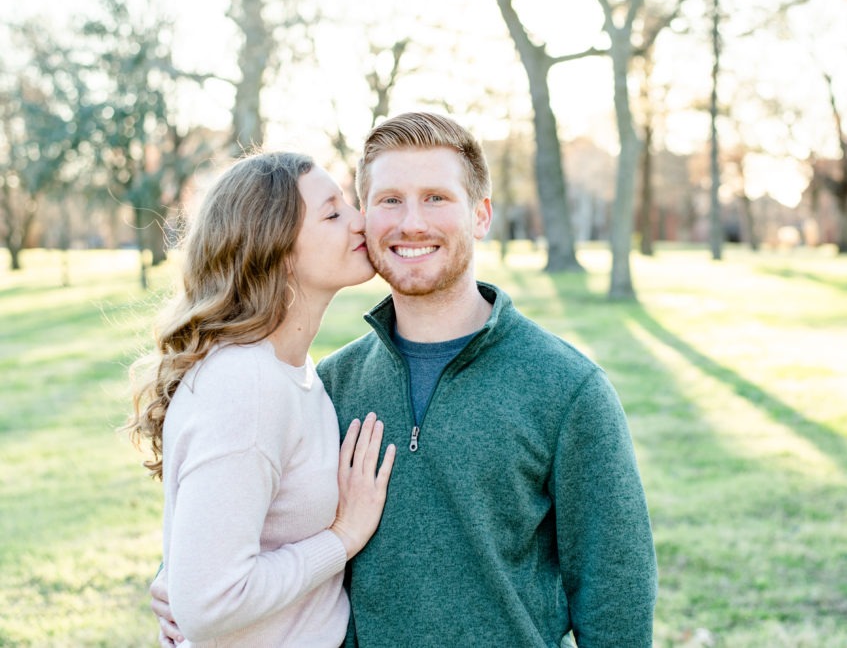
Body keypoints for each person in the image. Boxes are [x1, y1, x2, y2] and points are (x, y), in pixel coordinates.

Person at [154, 113, 658, 646]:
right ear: (366, 217)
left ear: (480, 216)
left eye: (436, 198)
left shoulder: (567, 389)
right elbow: (233, 536)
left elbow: (615, 598)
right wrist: (177, 586)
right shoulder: (329, 385)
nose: (411, 223)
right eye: (389, 200)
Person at [127, 151, 396, 647]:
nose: (361, 222)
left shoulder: (291, 371)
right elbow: (210, 604)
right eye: (334, 213)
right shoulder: (246, 386)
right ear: (276, 249)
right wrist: (343, 537)